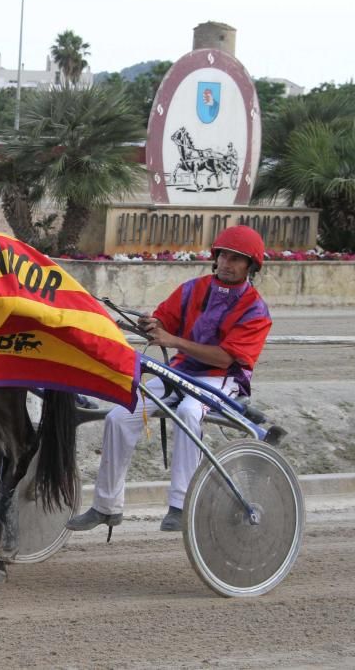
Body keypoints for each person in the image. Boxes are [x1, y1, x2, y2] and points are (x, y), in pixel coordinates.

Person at [67, 225, 272, 533]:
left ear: (250, 266)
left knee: (190, 412)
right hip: (179, 371)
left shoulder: (256, 310)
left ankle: (180, 504)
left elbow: (224, 358)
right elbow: (165, 318)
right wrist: (153, 323)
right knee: (119, 416)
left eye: (236, 259)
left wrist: (173, 340)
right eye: (223, 256)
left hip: (221, 379)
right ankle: (106, 508)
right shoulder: (193, 289)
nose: (227, 263)